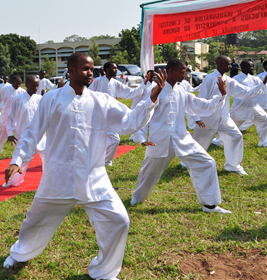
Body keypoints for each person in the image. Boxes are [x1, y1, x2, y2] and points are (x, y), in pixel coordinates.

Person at [3, 52, 162, 279]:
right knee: (35, 220)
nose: (90, 73)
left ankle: (104, 271)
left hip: (93, 178)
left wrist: (152, 99)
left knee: (119, 220)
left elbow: (130, 122)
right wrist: (17, 160)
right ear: (71, 70)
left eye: (92, 69)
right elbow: (32, 133)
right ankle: (19, 254)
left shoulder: (101, 101)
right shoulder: (52, 98)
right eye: (86, 69)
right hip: (57, 177)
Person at [130, 59, 231, 214]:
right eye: (181, 71)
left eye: (185, 71)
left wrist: (221, 96)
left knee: (207, 162)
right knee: (149, 172)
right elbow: (143, 114)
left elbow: (200, 105)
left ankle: (209, 205)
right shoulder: (156, 90)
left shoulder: (181, 90)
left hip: (182, 139)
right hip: (160, 140)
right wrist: (142, 138)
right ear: (170, 72)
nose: (184, 74)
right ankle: (138, 196)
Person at [193, 55, 267, 175]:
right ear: (220, 65)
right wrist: (197, 118)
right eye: (228, 64)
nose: (231, 66)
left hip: (224, 118)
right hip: (208, 118)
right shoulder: (210, 78)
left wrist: (263, 83)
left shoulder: (229, 80)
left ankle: (232, 165)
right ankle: (187, 163)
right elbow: (200, 99)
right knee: (199, 144)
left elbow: (245, 92)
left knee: (236, 136)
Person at [88, 61, 146, 166]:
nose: (115, 70)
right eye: (113, 68)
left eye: (115, 68)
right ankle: (96, 161)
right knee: (95, 140)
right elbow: (88, 95)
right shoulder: (97, 81)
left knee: (114, 139)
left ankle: (106, 161)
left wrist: (144, 84)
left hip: (111, 116)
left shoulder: (116, 83)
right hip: (97, 115)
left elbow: (130, 92)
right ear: (106, 70)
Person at [4, 75, 45, 187]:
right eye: (33, 85)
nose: (36, 88)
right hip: (24, 137)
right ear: (26, 85)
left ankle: (51, 180)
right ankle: (13, 180)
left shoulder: (40, 99)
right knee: (21, 160)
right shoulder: (18, 99)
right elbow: (10, 118)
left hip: (40, 137)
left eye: (37, 86)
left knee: (50, 159)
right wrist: (10, 133)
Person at [230, 60, 267, 147]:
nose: (253, 68)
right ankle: (219, 141)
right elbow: (244, 93)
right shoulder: (236, 79)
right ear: (243, 67)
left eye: (252, 66)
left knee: (265, 120)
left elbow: (263, 90)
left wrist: (263, 84)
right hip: (240, 108)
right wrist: (263, 83)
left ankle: (264, 142)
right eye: (250, 66)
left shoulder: (255, 78)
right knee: (231, 125)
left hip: (254, 106)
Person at [0, 75, 25, 156]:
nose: (18, 86)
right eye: (17, 83)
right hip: (5, 116)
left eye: (20, 84)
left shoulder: (22, 92)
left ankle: (18, 152)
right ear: (12, 81)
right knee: (2, 135)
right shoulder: (5, 89)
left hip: (17, 118)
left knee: (18, 136)